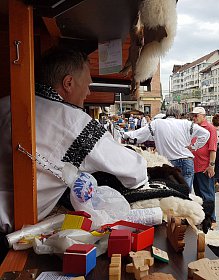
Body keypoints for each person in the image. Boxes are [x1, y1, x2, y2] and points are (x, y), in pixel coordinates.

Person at [0, 47, 148, 236]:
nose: (87, 92)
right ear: (68, 83)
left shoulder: (5, 103)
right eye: (87, 85)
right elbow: (135, 171)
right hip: (11, 234)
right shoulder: (74, 121)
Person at [123, 103, 210, 191]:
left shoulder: (157, 123)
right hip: (187, 161)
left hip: (169, 162)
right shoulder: (187, 124)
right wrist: (194, 147)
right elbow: (205, 134)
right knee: (186, 193)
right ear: (179, 114)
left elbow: (138, 134)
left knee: (172, 192)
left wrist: (124, 135)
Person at [190, 107, 218, 223]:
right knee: (199, 195)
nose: (194, 118)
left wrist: (211, 165)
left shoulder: (210, 128)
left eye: (196, 115)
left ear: (203, 115)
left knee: (207, 195)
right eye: (193, 116)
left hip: (204, 166)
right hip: (194, 166)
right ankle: (203, 218)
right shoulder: (193, 128)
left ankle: (211, 218)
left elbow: (213, 149)